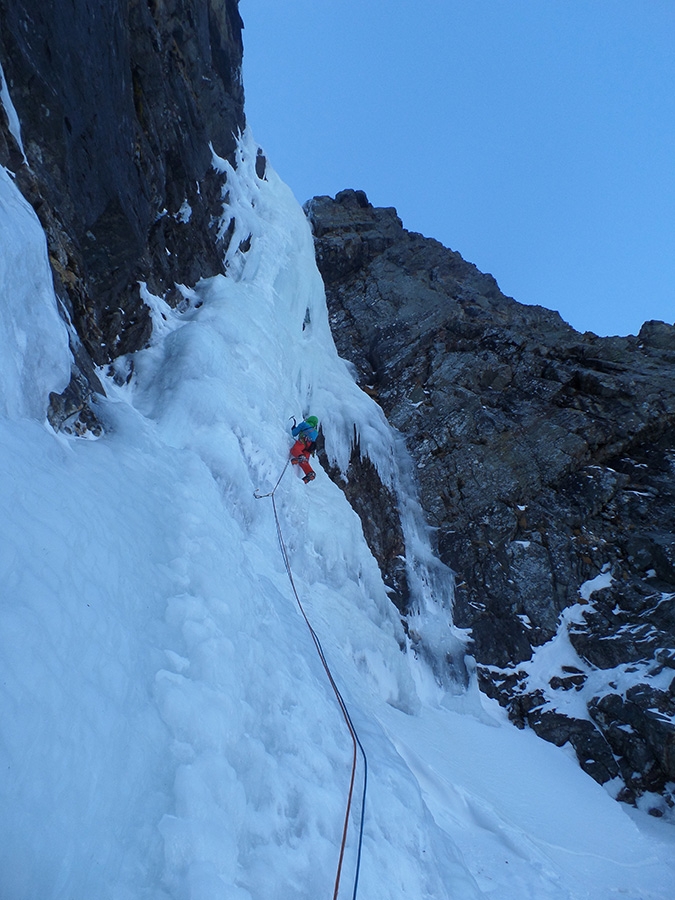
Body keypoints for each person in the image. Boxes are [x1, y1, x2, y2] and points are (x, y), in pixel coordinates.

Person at [290, 415, 319, 483]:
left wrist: (293, 428)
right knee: (304, 461)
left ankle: (300, 457)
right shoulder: (315, 432)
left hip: (303, 441)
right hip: (309, 448)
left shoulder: (304, 424)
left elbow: (294, 433)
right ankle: (310, 473)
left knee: (295, 449)